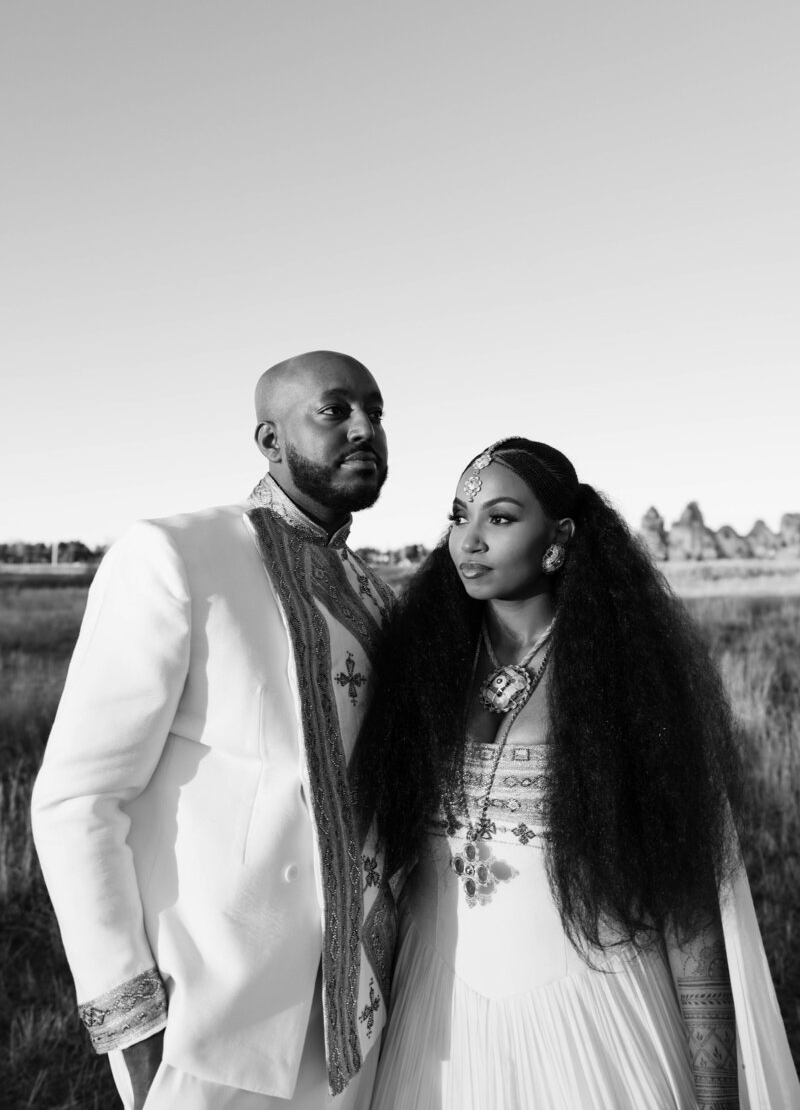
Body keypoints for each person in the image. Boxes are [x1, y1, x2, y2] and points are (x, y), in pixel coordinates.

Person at [355, 437, 800, 1110]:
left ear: (559, 537)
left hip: (597, 1023)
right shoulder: (422, 670)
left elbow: (686, 908)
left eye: (500, 518)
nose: (468, 540)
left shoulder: (621, 679)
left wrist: (717, 1099)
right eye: (458, 516)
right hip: (438, 1033)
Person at [31, 350, 398, 1110]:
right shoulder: (176, 555)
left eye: (376, 409)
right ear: (269, 440)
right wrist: (132, 1021)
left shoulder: (374, 592)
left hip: (356, 1031)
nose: (366, 427)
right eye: (336, 410)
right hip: (215, 1031)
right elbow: (78, 799)